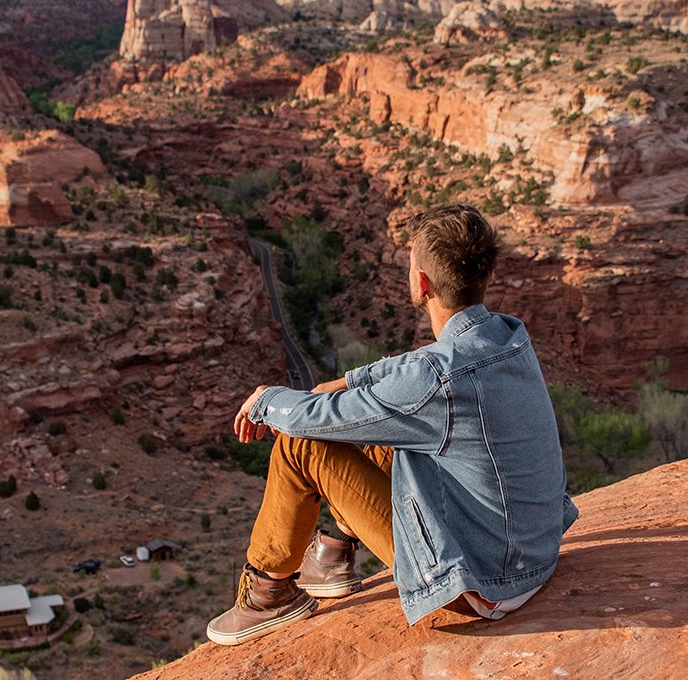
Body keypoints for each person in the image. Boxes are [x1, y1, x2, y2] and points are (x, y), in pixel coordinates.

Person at [207, 203, 577, 645]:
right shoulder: (508, 335)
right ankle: (331, 557)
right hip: (536, 557)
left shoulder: (436, 380)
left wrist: (268, 400)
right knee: (386, 433)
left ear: (421, 284)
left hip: (485, 585)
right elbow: (419, 369)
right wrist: (348, 380)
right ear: (489, 274)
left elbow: (321, 419)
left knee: (300, 447)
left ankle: (268, 593)